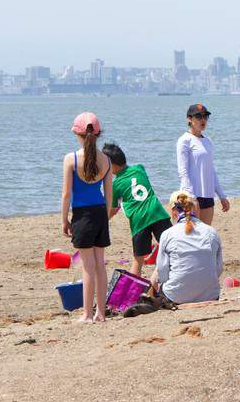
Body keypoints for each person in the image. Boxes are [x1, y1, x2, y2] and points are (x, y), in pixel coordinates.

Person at [60, 112, 112, 323]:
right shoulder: (106, 160)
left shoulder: (71, 159)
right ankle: (101, 313)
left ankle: (87, 314)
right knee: (100, 264)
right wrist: (106, 217)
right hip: (100, 212)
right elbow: (109, 195)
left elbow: (66, 194)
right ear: (98, 134)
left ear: (77, 133)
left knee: (87, 267)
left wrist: (64, 220)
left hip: (82, 215)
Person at [103, 143, 172, 279]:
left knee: (138, 260)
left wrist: (105, 220)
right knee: (172, 249)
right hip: (157, 213)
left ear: (112, 165)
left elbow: (113, 208)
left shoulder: (115, 185)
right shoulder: (140, 168)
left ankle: (134, 293)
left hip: (139, 221)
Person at [155, 191, 223, 305]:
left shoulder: (168, 234)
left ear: (173, 211)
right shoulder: (211, 232)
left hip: (176, 297)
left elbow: (162, 271)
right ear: (195, 209)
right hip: (210, 295)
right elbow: (218, 268)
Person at [177, 103, 229, 225]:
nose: (203, 120)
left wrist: (221, 195)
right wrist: (191, 196)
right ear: (189, 119)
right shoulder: (184, 140)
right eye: (199, 117)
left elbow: (211, 171)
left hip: (208, 196)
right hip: (190, 197)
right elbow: (183, 172)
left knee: (204, 236)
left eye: (205, 117)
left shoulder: (208, 141)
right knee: (189, 236)